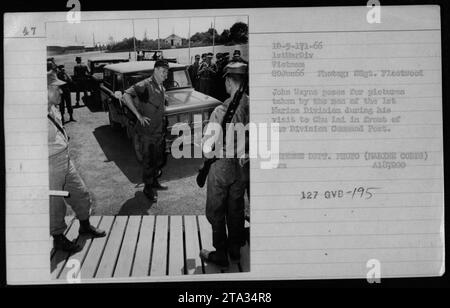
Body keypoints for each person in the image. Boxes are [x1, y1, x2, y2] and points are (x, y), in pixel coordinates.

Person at [47, 71, 106, 252]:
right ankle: (58, 238)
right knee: (55, 202)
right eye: (57, 88)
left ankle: (85, 225)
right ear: (44, 90)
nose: (61, 92)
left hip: (64, 158)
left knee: (80, 193)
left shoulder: (52, 107)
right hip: (50, 163)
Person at [199, 62, 249, 268]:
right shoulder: (255, 105)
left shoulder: (220, 110)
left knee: (216, 210)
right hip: (242, 165)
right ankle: (235, 247)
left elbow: (207, 148)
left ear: (229, 81)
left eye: (226, 82)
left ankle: (220, 252)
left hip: (222, 167)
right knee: (236, 207)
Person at [121, 60, 170, 202]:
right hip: (147, 133)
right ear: (155, 70)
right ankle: (148, 188)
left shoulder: (161, 86)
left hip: (159, 131)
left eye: (167, 72)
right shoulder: (145, 85)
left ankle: (154, 182)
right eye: (163, 72)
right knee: (149, 161)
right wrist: (138, 115)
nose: (166, 75)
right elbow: (126, 96)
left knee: (159, 159)